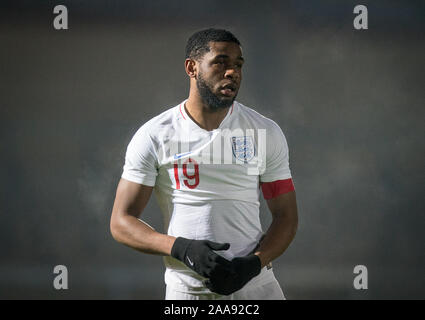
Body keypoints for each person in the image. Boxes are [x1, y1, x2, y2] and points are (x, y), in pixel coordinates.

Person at [110, 28, 298, 300]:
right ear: (192, 67)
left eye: (238, 65)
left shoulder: (264, 132)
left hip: (257, 289)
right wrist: (180, 248)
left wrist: (254, 263)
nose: (232, 72)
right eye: (221, 62)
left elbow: (286, 217)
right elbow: (121, 221)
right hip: (188, 293)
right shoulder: (155, 135)